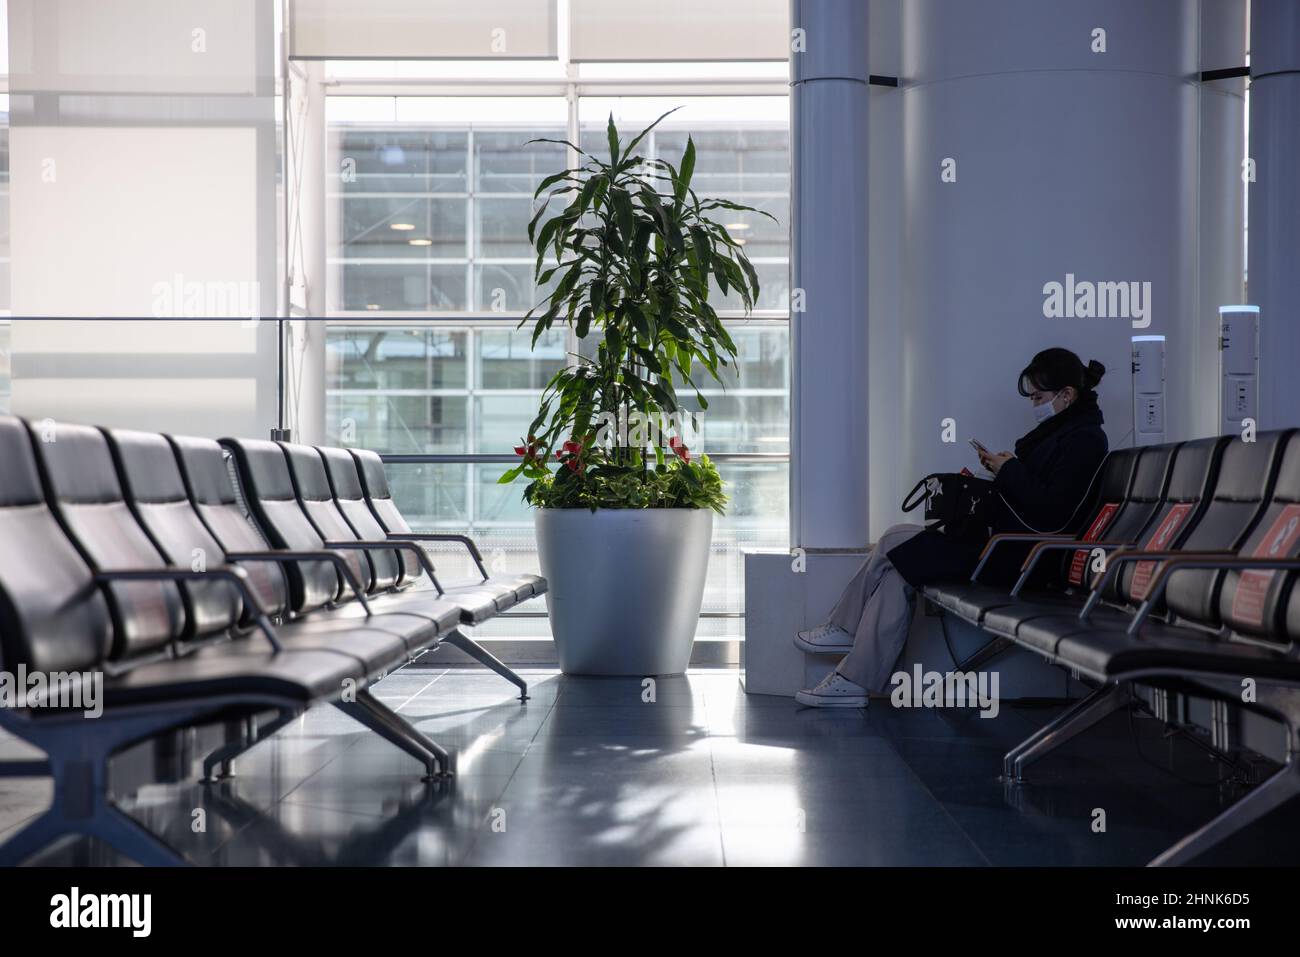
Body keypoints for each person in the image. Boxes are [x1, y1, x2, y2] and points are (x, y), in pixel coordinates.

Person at [794, 348, 1109, 708]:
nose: (1034, 405)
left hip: (1023, 557)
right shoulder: (1064, 434)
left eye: (1039, 397)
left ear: (1067, 395)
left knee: (897, 539)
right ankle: (853, 679)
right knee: (900, 570)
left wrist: (1008, 470)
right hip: (1006, 545)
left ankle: (846, 635)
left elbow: (1054, 514)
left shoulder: (1085, 442)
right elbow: (1036, 501)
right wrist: (1002, 471)